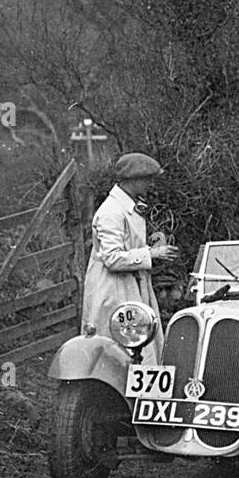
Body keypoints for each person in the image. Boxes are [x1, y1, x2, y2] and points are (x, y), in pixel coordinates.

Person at [82, 153, 178, 361]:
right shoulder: (111, 211)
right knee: (118, 351)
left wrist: (151, 245)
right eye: (147, 179)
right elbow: (112, 258)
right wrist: (151, 254)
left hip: (130, 285)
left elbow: (127, 246)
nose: (150, 184)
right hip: (113, 291)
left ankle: (141, 391)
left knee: (138, 346)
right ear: (134, 180)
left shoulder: (128, 207)